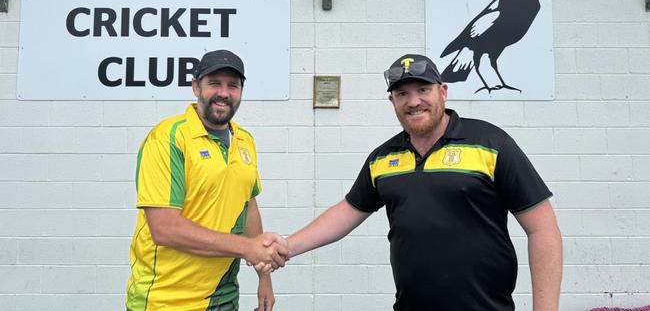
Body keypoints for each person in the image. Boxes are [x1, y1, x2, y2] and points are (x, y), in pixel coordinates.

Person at [261, 54, 563, 310]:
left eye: (423, 89)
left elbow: (543, 229)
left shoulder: (490, 143)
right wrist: (288, 246)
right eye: (402, 93)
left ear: (443, 92)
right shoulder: (383, 159)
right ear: (392, 100)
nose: (414, 101)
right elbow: (346, 213)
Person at [125, 49, 287, 311]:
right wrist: (248, 248)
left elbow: (248, 207)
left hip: (222, 298)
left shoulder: (245, 141)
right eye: (214, 83)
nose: (224, 92)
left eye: (232, 85)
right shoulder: (168, 138)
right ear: (196, 87)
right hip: (165, 301)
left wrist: (263, 276)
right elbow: (164, 228)